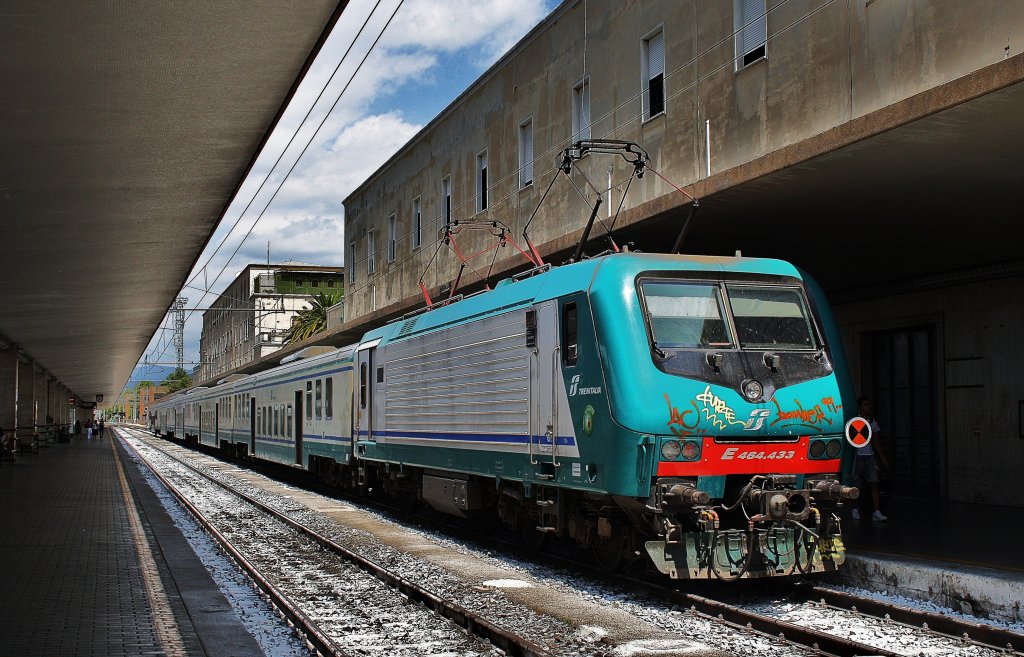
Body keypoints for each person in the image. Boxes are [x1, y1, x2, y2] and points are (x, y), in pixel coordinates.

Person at [852, 396, 889, 521]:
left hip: (870, 456)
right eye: (866, 404)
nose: (868, 407)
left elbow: (876, 442)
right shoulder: (854, 421)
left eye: (869, 404)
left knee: (874, 483)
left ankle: (876, 511)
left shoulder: (872, 421)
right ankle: (855, 509)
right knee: (857, 485)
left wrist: (883, 459)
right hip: (857, 456)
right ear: (860, 407)